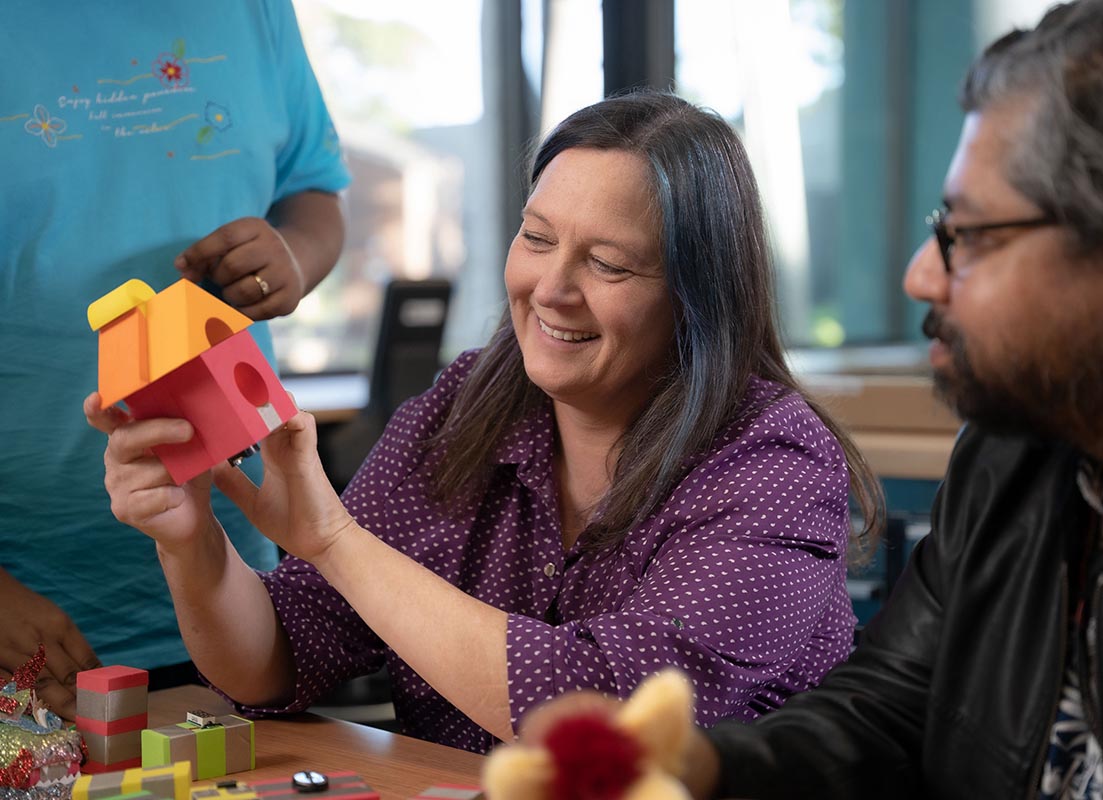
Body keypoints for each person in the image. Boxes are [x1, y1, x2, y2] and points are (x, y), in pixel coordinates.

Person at [85, 92, 884, 754]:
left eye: (608, 264)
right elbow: (281, 656)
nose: (551, 289)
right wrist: (190, 540)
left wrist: (335, 541)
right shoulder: (466, 406)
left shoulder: (772, 461)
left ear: (698, 296)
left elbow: (612, 716)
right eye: (536, 239)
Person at [540, 1, 1103, 797]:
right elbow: (885, 716)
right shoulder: (1016, 461)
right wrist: (699, 768)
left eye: (974, 237)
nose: (921, 275)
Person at [0, 1, 349, 720]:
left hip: (239, 583)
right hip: (32, 616)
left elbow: (314, 193)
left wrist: (293, 256)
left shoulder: (256, 11)